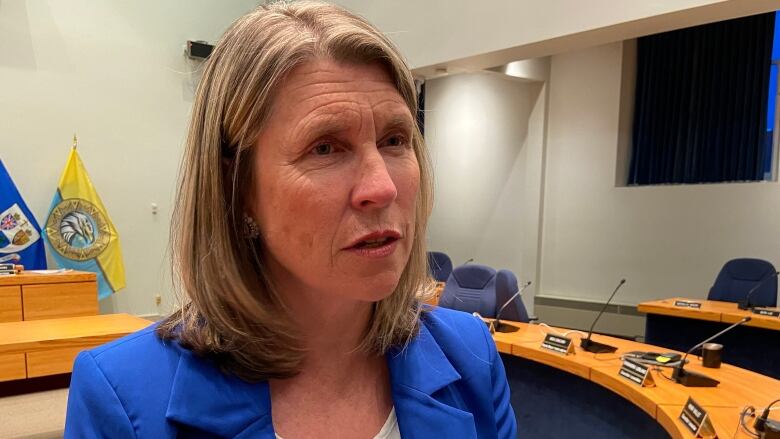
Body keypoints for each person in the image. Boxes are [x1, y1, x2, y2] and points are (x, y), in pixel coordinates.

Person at [64, 2, 516, 438]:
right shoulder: (122, 397)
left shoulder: (471, 355)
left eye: (395, 140)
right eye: (325, 147)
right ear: (237, 187)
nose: (382, 187)